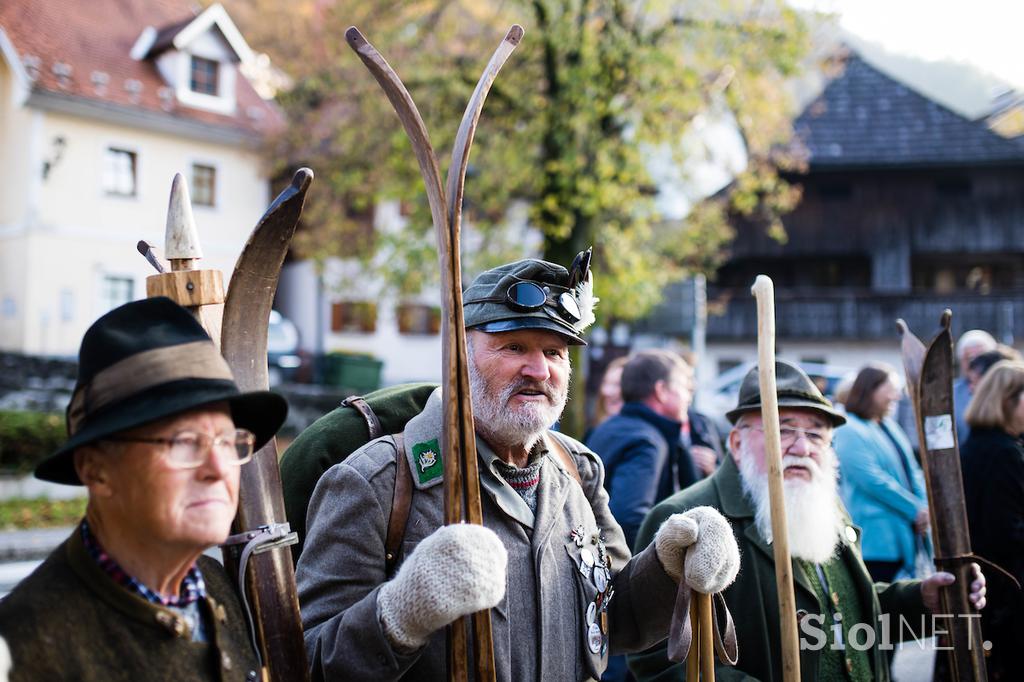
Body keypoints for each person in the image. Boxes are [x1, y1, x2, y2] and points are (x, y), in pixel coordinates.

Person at [294, 257, 740, 681]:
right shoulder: (379, 482)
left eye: (555, 351)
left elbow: (615, 618)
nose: (538, 370)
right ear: (458, 359)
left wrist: (668, 568)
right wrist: (399, 615)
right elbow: (306, 661)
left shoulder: (578, 472)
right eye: (513, 347)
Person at [629, 360, 987, 682]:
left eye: (816, 434)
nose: (802, 447)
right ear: (736, 443)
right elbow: (657, 658)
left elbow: (842, 609)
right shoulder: (687, 519)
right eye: (783, 430)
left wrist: (921, 599)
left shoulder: (825, 506)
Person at [0, 297, 288, 681]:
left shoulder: (213, 586)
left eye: (226, 441)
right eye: (184, 442)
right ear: (96, 469)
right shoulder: (24, 649)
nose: (219, 469)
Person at [586, 350, 714, 548]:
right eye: (683, 387)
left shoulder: (605, 428)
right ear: (661, 391)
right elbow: (628, 522)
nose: (688, 397)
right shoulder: (647, 442)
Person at [833, 364, 930, 582]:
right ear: (870, 390)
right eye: (890, 389)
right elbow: (872, 480)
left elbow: (912, 469)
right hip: (876, 539)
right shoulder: (849, 429)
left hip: (905, 534)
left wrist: (924, 507)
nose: (896, 396)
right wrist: (915, 509)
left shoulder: (889, 426)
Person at [960, 361, 1024, 680]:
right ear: (1008, 400)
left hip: (989, 584)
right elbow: (1004, 531)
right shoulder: (1002, 452)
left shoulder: (983, 443)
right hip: (1004, 589)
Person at [953, 329, 997, 443]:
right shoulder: (950, 394)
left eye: (981, 357)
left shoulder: (1006, 388)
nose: (976, 365)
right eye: (970, 359)